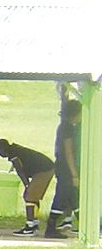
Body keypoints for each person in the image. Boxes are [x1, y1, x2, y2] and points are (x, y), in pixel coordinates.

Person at [0, 137, 55, 235]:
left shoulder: (14, 154)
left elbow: (20, 171)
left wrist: (27, 185)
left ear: (3, 149)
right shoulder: (15, 150)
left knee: (29, 196)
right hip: (46, 168)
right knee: (32, 196)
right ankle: (34, 223)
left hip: (44, 170)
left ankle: (30, 226)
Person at [48, 99, 79, 238]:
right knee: (62, 195)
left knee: (74, 196)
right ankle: (50, 227)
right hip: (66, 168)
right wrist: (74, 174)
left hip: (62, 166)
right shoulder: (67, 128)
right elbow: (68, 152)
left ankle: (85, 223)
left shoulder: (64, 126)